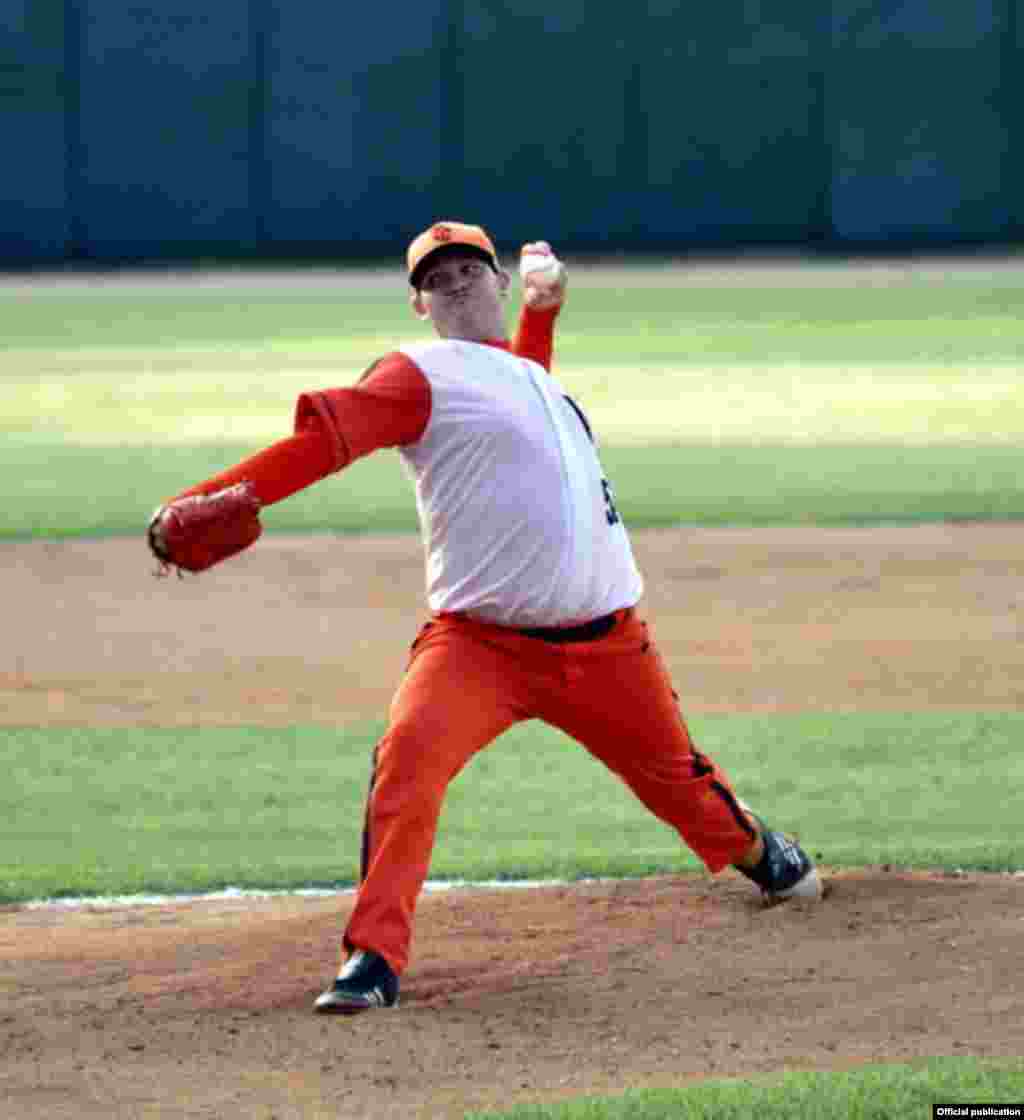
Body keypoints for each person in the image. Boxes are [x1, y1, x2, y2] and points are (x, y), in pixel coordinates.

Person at [149, 221, 822, 1016]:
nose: (457, 281)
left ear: (497, 282)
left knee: (679, 785)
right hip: (479, 649)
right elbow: (323, 441)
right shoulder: (418, 375)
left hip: (610, 647)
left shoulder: (530, 377)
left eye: (471, 268)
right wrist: (223, 493)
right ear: (418, 304)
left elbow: (518, 381)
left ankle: (756, 849)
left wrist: (545, 312)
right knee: (407, 761)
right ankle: (373, 956)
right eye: (439, 277)